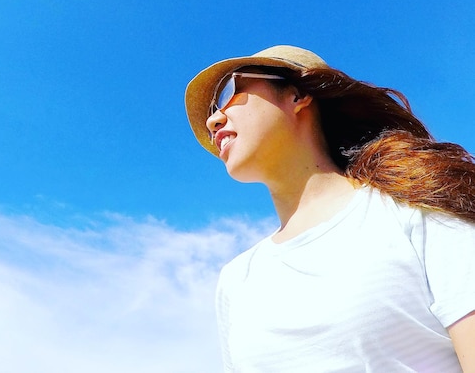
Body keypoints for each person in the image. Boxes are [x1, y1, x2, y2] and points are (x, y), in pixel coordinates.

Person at [184, 45, 475, 373]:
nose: (213, 118)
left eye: (229, 91)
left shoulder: (418, 210)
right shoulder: (236, 280)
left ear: (297, 95)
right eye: (211, 108)